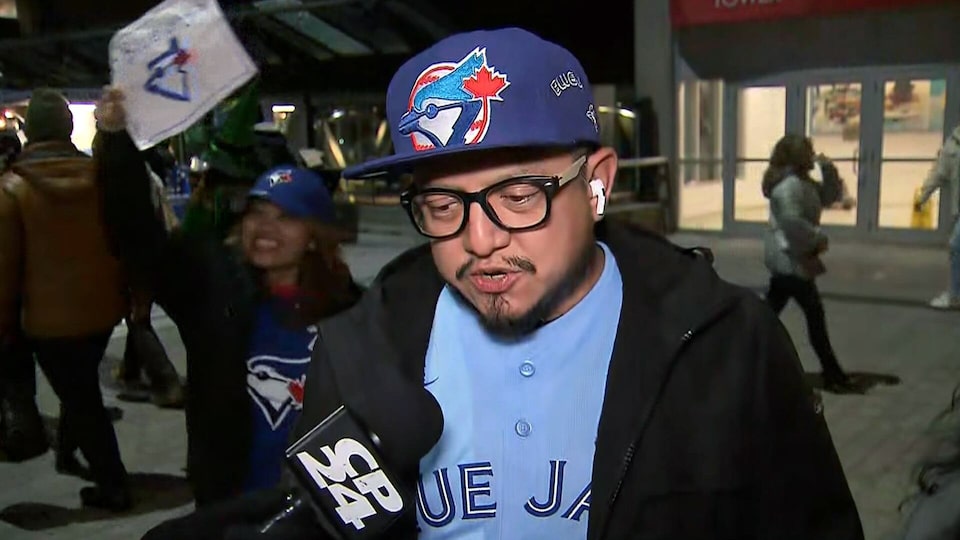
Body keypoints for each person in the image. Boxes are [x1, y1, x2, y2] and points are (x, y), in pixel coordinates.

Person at [288, 28, 863, 539]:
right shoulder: (359, 351)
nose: (480, 241)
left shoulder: (729, 348)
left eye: (519, 197)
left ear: (597, 186)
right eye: (442, 206)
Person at [93, 88, 363, 507]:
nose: (265, 227)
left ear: (314, 237)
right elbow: (137, 239)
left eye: (286, 217)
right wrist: (115, 142)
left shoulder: (354, 310)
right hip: (232, 504)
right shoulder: (213, 289)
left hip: (323, 506)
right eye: (257, 212)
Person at [0, 88, 130, 510]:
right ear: (68, 128)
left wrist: (5, 326)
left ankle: (113, 485)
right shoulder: (101, 179)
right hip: (104, 311)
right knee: (80, 386)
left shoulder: (12, 189)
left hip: (47, 321)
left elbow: (5, 271)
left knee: (81, 398)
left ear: (30, 131)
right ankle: (69, 453)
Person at [762, 134, 860, 395]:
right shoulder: (789, 187)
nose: (812, 154)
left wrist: (829, 170)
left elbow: (828, 196)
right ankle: (833, 374)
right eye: (808, 151)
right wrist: (817, 240)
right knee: (814, 316)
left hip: (794, 257)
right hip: (790, 258)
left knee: (767, 314)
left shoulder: (803, 182)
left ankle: (740, 354)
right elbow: (792, 223)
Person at [914, 125, 960, 309]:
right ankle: (955, 295)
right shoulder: (953, 144)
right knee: (956, 247)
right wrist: (923, 197)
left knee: (956, 245)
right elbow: (938, 174)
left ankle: (955, 295)